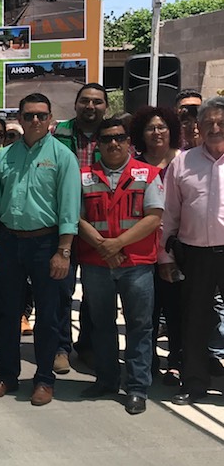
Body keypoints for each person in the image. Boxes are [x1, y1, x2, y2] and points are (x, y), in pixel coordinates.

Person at [0, 93, 80, 407]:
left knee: (48, 317)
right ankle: (7, 375)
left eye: (41, 115)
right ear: (19, 120)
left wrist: (63, 251)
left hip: (47, 244)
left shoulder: (63, 156)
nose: (35, 121)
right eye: (28, 116)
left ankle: (44, 379)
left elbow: (69, 207)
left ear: (50, 119)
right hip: (10, 243)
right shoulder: (5, 156)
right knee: (8, 312)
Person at [75, 118, 163, 415]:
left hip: (136, 264)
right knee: (101, 324)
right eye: (107, 139)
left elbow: (153, 217)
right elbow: (76, 216)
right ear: (97, 145)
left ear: (129, 142)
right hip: (96, 263)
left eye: (119, 138)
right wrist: (104, 246)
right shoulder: (83, 175)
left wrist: (117, 244)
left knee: (139, 326)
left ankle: (137, 388)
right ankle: (107, 380)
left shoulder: (149, 174)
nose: (113, 143)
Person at [160, 96, 224, 406]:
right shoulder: (182, 163)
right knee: (195, 322)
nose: (215, 127)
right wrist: (166, 256)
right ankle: (194, 383)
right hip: (195, 254)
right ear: (197, 127)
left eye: (221, 122)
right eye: (208, 122)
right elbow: (170, 213)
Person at [51, 83, 110, 370]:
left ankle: (87, 346)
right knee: (61, 289)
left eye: (97, 102)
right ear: (75, 105)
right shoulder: (58, 133)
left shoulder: (114, 135)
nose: (91, 106)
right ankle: (60, 347)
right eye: (85, 101)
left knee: (94, 292)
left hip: (99, 226)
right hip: (62, 222)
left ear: (105, 107)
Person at [131, 106, 184, 386]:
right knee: (145, 312)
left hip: (179, 249)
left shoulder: (185, 162)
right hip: (144, 251)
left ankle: (176, 362)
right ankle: (146, 361)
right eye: (150, 127)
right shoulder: (135, 166)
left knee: (177, 310)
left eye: (162, 126)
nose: (157, 132)